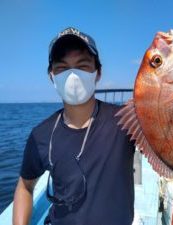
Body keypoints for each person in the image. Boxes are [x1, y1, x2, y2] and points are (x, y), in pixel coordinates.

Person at [12, 27, 135, 225]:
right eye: (62, 68)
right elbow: (25, 186)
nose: (72, 75)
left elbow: (167, 132)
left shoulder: (126, 120)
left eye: (82, 65)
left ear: (98, 72)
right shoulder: (41, 135)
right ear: (52, 76)